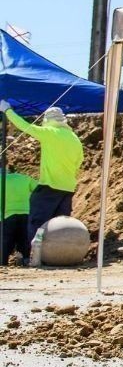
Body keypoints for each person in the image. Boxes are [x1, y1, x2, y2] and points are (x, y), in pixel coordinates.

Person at [0, 103, 83, 254]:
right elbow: (78, 163)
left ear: (47, 120)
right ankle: (58, 255)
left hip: (49, 186)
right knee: (59, 226)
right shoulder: (74, 139)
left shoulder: (50, 132)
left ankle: (33, 255)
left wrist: (7, 110)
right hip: (68, 188)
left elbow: (25, 126)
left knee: (37, 222)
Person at [1, 170, 37, 265]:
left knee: (6, 240)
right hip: (26, 213)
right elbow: (38, 189)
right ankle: (25, 260)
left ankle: (3, 262)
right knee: (24, 238)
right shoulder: (24, 178)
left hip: (7, 215)